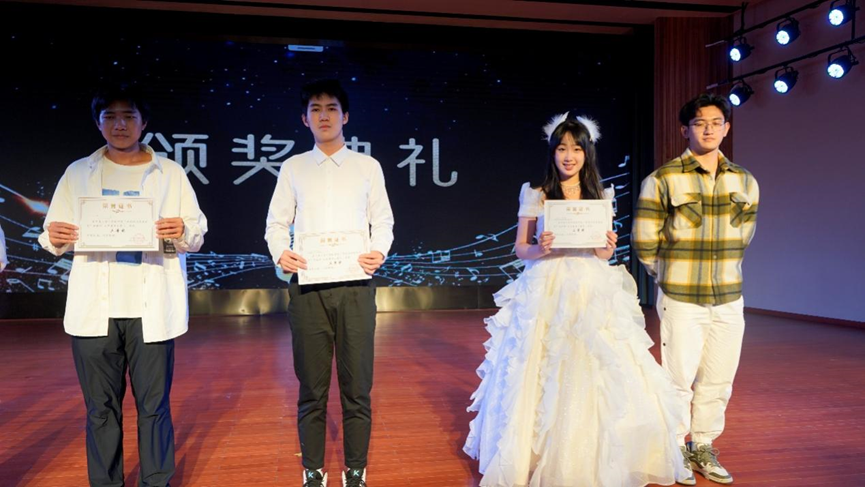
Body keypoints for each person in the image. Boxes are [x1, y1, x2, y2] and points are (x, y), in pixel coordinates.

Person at [464, 113, 686, 487]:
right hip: (547, 286)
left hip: (590, 286)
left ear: (587, 153)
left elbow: (603, 254)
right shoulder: (536, 194)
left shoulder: (600, 196)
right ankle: (534, 455)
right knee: (542, 364)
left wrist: (607, 246)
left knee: (595, 362)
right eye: (562, 148)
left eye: (577, 149)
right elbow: (520, 248)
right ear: (552, 153)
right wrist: (540, 248)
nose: (569, 156)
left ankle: (591, 455)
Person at [38, 84, 207, 487]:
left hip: (152, 309)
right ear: (98, 123)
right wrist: (55, 236)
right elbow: (51, 235)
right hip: (94, 311)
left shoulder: (169, 173)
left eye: (129, 116)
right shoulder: (78, 173)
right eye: (110, 116)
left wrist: (182, 231)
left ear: (144, 122)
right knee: (100, 409)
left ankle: (156, 481)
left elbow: (196, 233)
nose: (119, 124)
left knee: (154, 407)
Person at [265, 79, 394, 487]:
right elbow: (276, 224)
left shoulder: (367, 167)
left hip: (356, 287)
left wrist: (379, 250)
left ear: (346, 116)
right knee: (312, 388)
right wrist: (280, 252)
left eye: (332, 108)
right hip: (308, 288)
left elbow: (383, 221)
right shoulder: (293, 167)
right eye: (316, 109)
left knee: (357, 387)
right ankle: (313, 470)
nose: (324, 116)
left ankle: (355, 469)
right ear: (305, 119)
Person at [634, 93, 759, 485]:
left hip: (729, 296)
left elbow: (746, 234)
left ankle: (702, 446)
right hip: (681, 296)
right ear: (684, 130)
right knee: (678, 380)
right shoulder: (663, 179)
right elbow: (644, 240)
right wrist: (670, 277)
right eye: (700, 123)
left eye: (716, 122)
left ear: (727, 128)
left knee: (719, 378)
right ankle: (674, 449)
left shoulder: (745, 180)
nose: (709, 129)